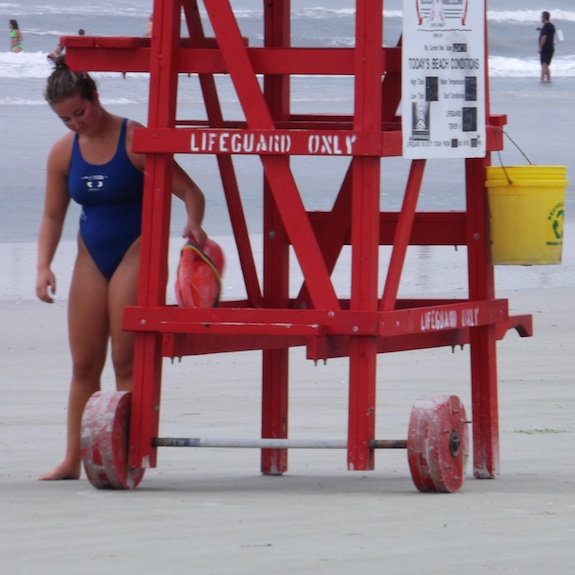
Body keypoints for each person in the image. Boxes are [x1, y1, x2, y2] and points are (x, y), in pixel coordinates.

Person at [36, 56, 207, 480]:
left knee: (126, 362)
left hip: (136, 254)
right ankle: (73, 458)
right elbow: (52, 216)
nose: (76, 123)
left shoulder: (136, 140)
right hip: (90, 259)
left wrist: (194, 222)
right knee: (83, 365)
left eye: (80, 112)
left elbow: (189, 190)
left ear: (95, 97)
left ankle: (128, 452)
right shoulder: (63, 152)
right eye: (65, 119)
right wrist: (43, 265)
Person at [538, 11, 556, 83]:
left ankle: (542, 80)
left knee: (544, 65)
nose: (541, 19)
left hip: (546, 48)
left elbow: (544, 37)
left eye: (541, 17)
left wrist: (540, 47)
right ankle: (548, 80)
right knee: (546, 65)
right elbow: (549, 33)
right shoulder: (551, 26)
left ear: (544, 18)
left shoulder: (546, 26)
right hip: (551, 48)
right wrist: (542, 30)